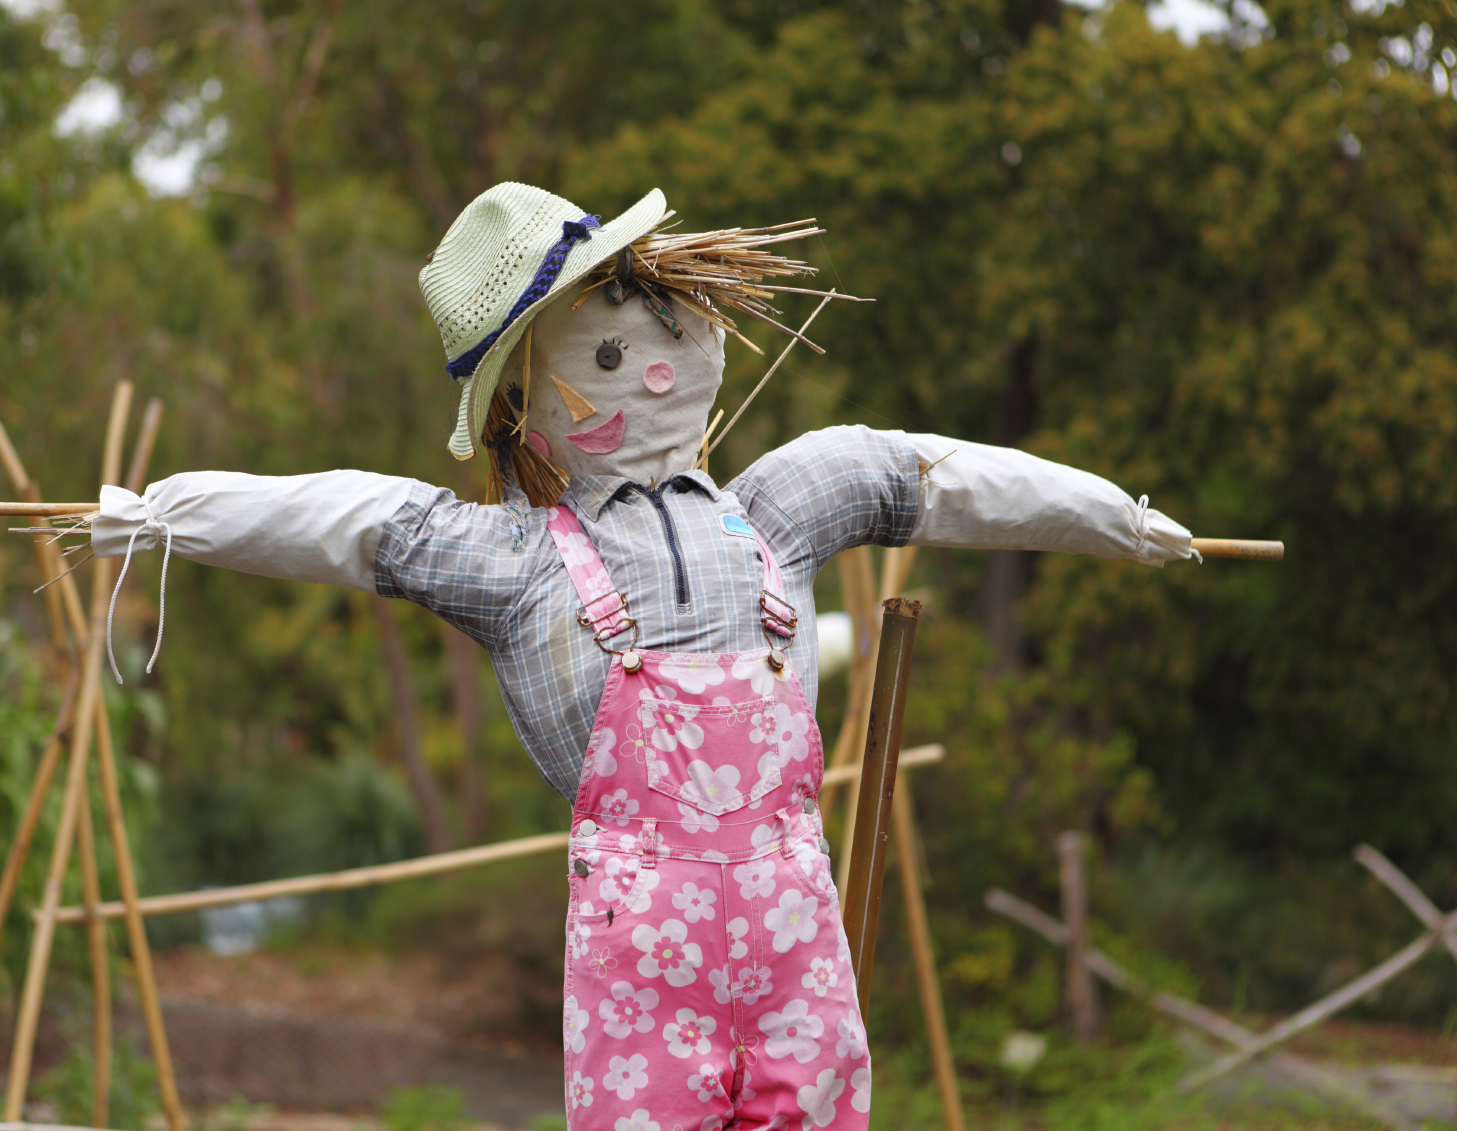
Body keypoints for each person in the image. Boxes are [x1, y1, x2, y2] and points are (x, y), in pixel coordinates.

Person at [93, 183, 1192, 1131]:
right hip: (641, 952)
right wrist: (165, 514)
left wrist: (1110, 516)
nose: (654, 374)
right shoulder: (518, 564)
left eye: (667, 336)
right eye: (610, 356)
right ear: (527, 401)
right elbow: (358, 521)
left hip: (792, 918)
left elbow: (935, 477)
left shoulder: (782, 512)